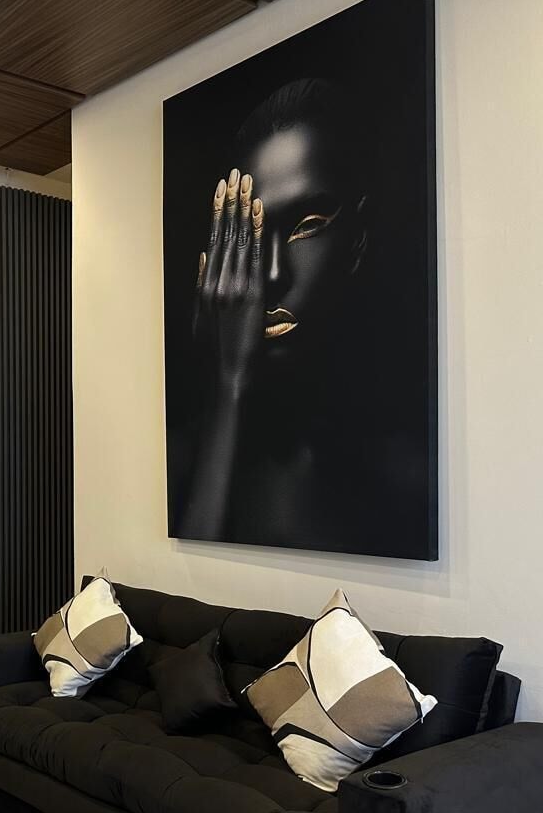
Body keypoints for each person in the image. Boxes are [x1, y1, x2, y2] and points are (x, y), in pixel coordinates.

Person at [174, 77, 424, 553]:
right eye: (247, 239)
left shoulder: (407, 482)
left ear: (357, 239)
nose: (270, 275)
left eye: (306, 227)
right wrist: (229, 383)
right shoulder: (178, 457)